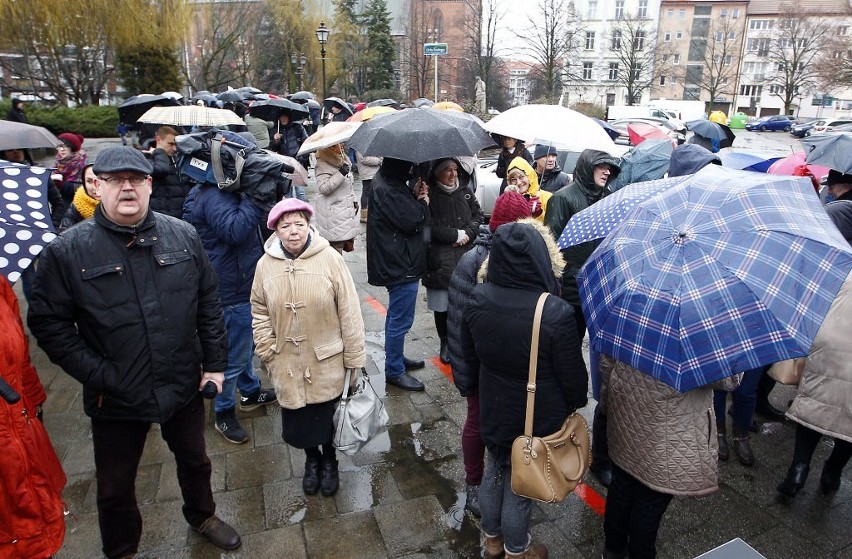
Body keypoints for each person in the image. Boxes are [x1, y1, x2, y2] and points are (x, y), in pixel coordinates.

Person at [28, 146, 241, 557]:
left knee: (195, 461)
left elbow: (208, 301)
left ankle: (202, 514)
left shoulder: (182, 234)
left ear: (149, 184)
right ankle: (122, 549)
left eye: (135, 179)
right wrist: (101, 374)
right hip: (116, 395)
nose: (126, 187)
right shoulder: (68, 250)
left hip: (181, 382)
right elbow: (49, 324)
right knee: (114, 486)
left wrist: (215, 365)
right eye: (114, 179)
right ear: (98, 185)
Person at [460, 220, 588, 559]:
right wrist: (574, 403)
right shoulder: (555, 311)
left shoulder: (477, 298)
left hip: (493, 407)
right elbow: (573, 377)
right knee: (521, 487)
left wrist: (470, 389)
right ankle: (518, 550)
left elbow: (469, 356)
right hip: (534, 416)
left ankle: (492, 541)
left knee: (494, 470)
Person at [251, 198, 366, 497]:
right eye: (285, 226)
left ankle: (330, 461)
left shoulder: (329, 258)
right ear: (275, 230)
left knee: (326, 418)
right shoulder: (265, 265)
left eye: (299, 225)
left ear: (309, 226)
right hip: (286, 362)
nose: (293, 232)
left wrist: (354, 357)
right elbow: (259, 309)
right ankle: (311, 461)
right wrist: (267, 350)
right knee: (299, 423)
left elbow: (350, 310)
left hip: (326, 359)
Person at [598, 355, 740, 559]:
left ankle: (612, 549)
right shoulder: (694, 330)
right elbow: (727, 379)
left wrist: (607, 405)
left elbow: (607, 363)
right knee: (648, 504)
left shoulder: (629, 322)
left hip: (626, 418)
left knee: (621, 487)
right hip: (667, 435)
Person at [447, 189, 531, 518]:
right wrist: (467, 376)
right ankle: (473, 484)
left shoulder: (529, 259)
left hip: (510, 368)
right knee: (477, 422)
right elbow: (459, 327)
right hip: (481, 367)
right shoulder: (474, 262)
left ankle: (506, 480)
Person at [543, 148, 620, 488]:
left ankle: (602, 448)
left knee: (605, 360)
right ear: (589, 168)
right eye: (601, 166)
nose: (606, 172)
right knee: (568, 356)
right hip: (573, 291)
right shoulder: (563, 199)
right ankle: (563, 421)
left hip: (604, 289)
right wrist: (562, 280)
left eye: (610, 167)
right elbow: (551, 244)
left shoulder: (612, 197)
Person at [183, 177, 277, 445]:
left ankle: (249, 391)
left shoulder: (221, 191)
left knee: (244, 346)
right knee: (232, 355)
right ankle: (223, 411)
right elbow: (235, 231)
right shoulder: (214, 194)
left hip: (241, 282)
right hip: (231, 287)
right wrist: (254, 198)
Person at [776, 209, 852, 498]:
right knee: (848, 421)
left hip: (829, 347)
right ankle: (831, 474)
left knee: (815, 408)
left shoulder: (840, 265)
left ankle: (798, 471)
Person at [0, 275, 66, 559]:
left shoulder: (1, 286)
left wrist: (34, 402)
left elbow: (21, 355)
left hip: (20, 437)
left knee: (36, 536)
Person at [366, 158, 430, 392]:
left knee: (396, 315)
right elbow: (414, 221)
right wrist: (423, 202)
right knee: (400, 319)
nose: (412, 169)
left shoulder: (388, 181)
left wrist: (412, 194)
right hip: (400, 263)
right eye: (409, 166)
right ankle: (394, 369)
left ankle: (396, 357)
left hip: (395, 259)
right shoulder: (390, 189)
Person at [421, 157, 483, 363]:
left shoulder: (465, 190)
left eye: (455, 169)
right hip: (441, 259)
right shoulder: (428, 195)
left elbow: (478, 216)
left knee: (466, 302)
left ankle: (465, 340)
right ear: (437, 173)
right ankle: (445, 342)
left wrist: (468, 233)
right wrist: (454, 235)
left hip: (466, 255)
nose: (453, 174)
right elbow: (425, 229)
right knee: (443, 305)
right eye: (447, 170)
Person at [713, 366, 766, 466]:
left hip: (752, 350)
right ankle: (718, 431)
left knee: (747, 391)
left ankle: (741, 436)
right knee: (718, 385)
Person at [314, 143, 360, 252]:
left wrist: (354, 200)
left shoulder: (342, 160)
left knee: (341, 245)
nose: (342, 146)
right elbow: (324, 188)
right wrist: (340, 173)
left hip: (343, 210)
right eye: (338, 145)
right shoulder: (322, 164)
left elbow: (348, 184)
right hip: (333, 213)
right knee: (335, 249)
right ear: (330, 148)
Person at [147, 125, 194, 218]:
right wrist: (159, 151)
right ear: (158, 139)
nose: (174, 148)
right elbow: (161, 169)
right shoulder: (148, 158)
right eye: (170, 144)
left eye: (175, 144)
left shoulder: (177, 158)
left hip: (181, 214)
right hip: (162, 215)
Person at [269, 112, 309, 200]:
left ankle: (302, 211)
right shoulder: (275, 130)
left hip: (297, 161)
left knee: (300, 190)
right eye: (281, 117)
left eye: (285, 117)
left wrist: (302, 158)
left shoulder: (298, 128)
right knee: (287, 191)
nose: (283, 119)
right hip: (284, 163)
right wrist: (276, 141)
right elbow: (272, 148)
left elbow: (306, 143)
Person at [505, 157, 551, 222]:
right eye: (513, 180)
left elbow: (552, 225)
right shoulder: (507, 200)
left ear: (529, 177)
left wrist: (539, 213)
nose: (518, 183)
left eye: (521, 177)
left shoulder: (547, 197)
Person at [60, 162, 100, 231]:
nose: (94, 187)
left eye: (100, 180)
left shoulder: (121, 205)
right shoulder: (77, 205)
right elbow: (65, 233)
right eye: (89, 181)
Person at [55, 132, 87, 205]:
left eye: (66, 146)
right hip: (62, 201)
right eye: (60, 146)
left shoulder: (81, 163)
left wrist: (62, 185)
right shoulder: (58, 162)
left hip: (79, 203)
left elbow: (84, 187)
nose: (62, 149)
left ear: (73, 148)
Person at [355, 150, 382, 223]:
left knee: (372, 193)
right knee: (366, 192)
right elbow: (363, 159)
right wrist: (379, 160)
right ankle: (364, 215)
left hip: (373, 172)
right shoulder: (361, 146)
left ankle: (371, 212)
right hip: (368, 173)